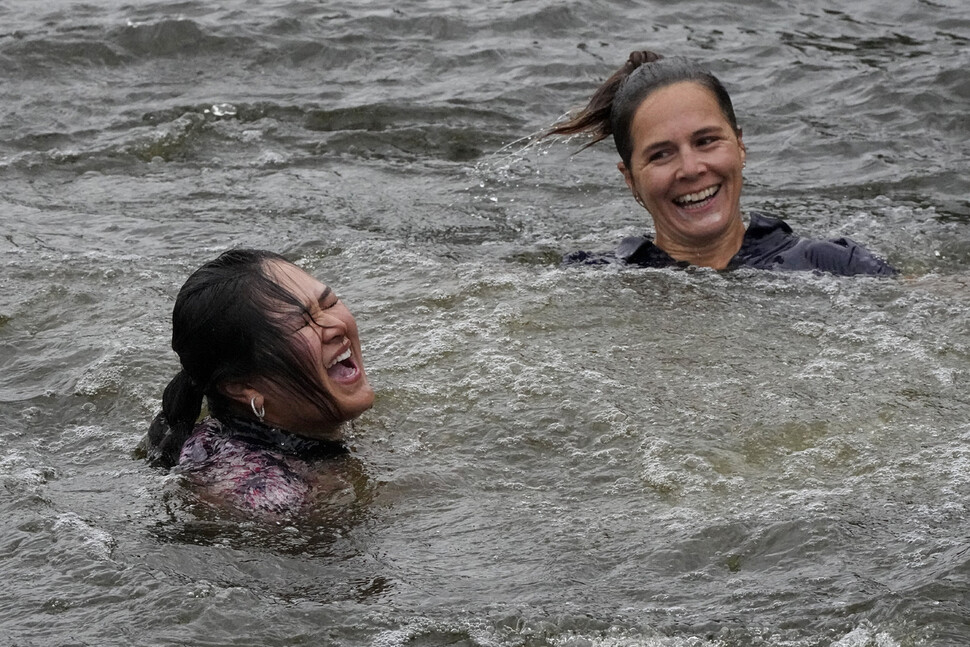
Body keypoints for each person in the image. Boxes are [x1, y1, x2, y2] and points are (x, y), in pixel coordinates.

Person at [547, 50, 896, 276]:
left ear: (740, 146)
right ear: (631, 181)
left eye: (706, 141)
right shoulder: (592, 279)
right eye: (661, 154)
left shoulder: (833, 265)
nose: (692, 168)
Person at [143, 249, 375, 516]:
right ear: (242, 388)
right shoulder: (266, 497)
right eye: (300, 324)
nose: (336, 326)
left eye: (329, 303)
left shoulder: (307, 416)